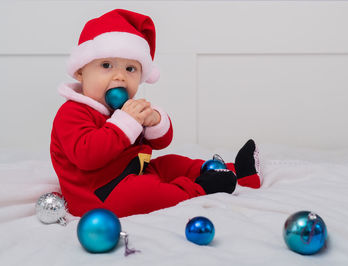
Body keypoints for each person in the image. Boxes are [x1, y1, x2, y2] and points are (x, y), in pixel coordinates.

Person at [50, 9, 262, 218]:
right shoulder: (72, 112)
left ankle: (236, 172)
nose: (120, 77)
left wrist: (154, 121)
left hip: (137, 170)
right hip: (100, 194)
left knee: (172, 163)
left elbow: (162, 143)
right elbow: (87, 157)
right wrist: (125, 123)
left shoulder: (127, 109)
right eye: (106, 65)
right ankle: (201, 188)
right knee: (145, 194)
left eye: (130, 69)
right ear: (80, 72)